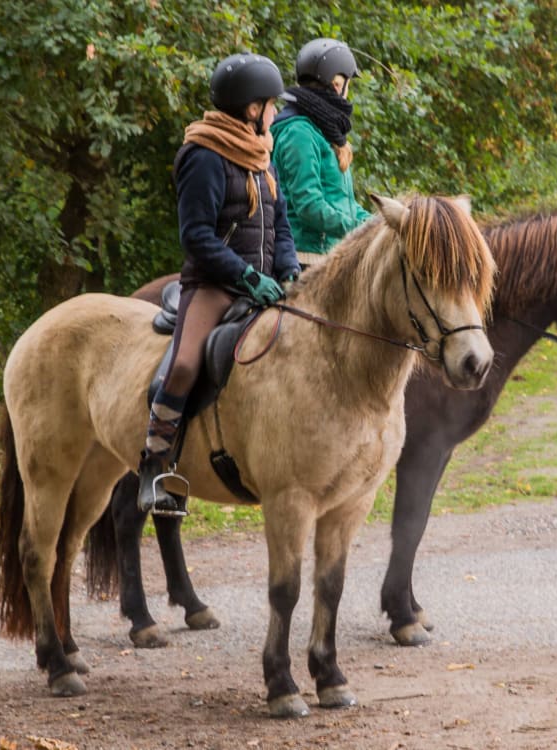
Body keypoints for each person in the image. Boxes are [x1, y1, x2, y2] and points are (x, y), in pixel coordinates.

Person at [138, 52, 300, 517]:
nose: (275, 113)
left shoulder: (260, 155)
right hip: (215, 285)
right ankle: (153, 464)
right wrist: (246, 276)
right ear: (251, 109)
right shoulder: (204, 156)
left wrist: (286, 269)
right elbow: (196, 236)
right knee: (186, 364)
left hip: (266, 283)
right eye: (271, 106)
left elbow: (280, 224)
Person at [271, 37, 372, 267]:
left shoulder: (326, 133)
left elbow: (344, 204)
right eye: (347, 84)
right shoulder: (299, 133)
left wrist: (381, 222)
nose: (347, 93)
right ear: (337, 84)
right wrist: (363, 230)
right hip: (305, 257)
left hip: (331, 255)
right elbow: (310, 206)